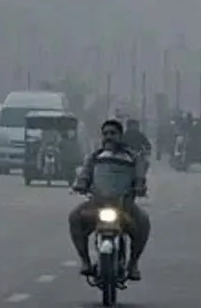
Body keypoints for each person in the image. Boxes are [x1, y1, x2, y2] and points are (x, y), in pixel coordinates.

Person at [67, 119, 152, 281]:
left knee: (143, 222)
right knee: (74, 217)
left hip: (124, 207)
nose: (109, 137)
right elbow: (84, 175)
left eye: (113, 133)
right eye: (105, 134)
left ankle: (133, 264)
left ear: (120, 135)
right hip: (96, 205)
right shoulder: (94, 157)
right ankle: (85, 261)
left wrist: (140, 186)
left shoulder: (133, 158)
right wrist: (80, 185)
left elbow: (140, 176)